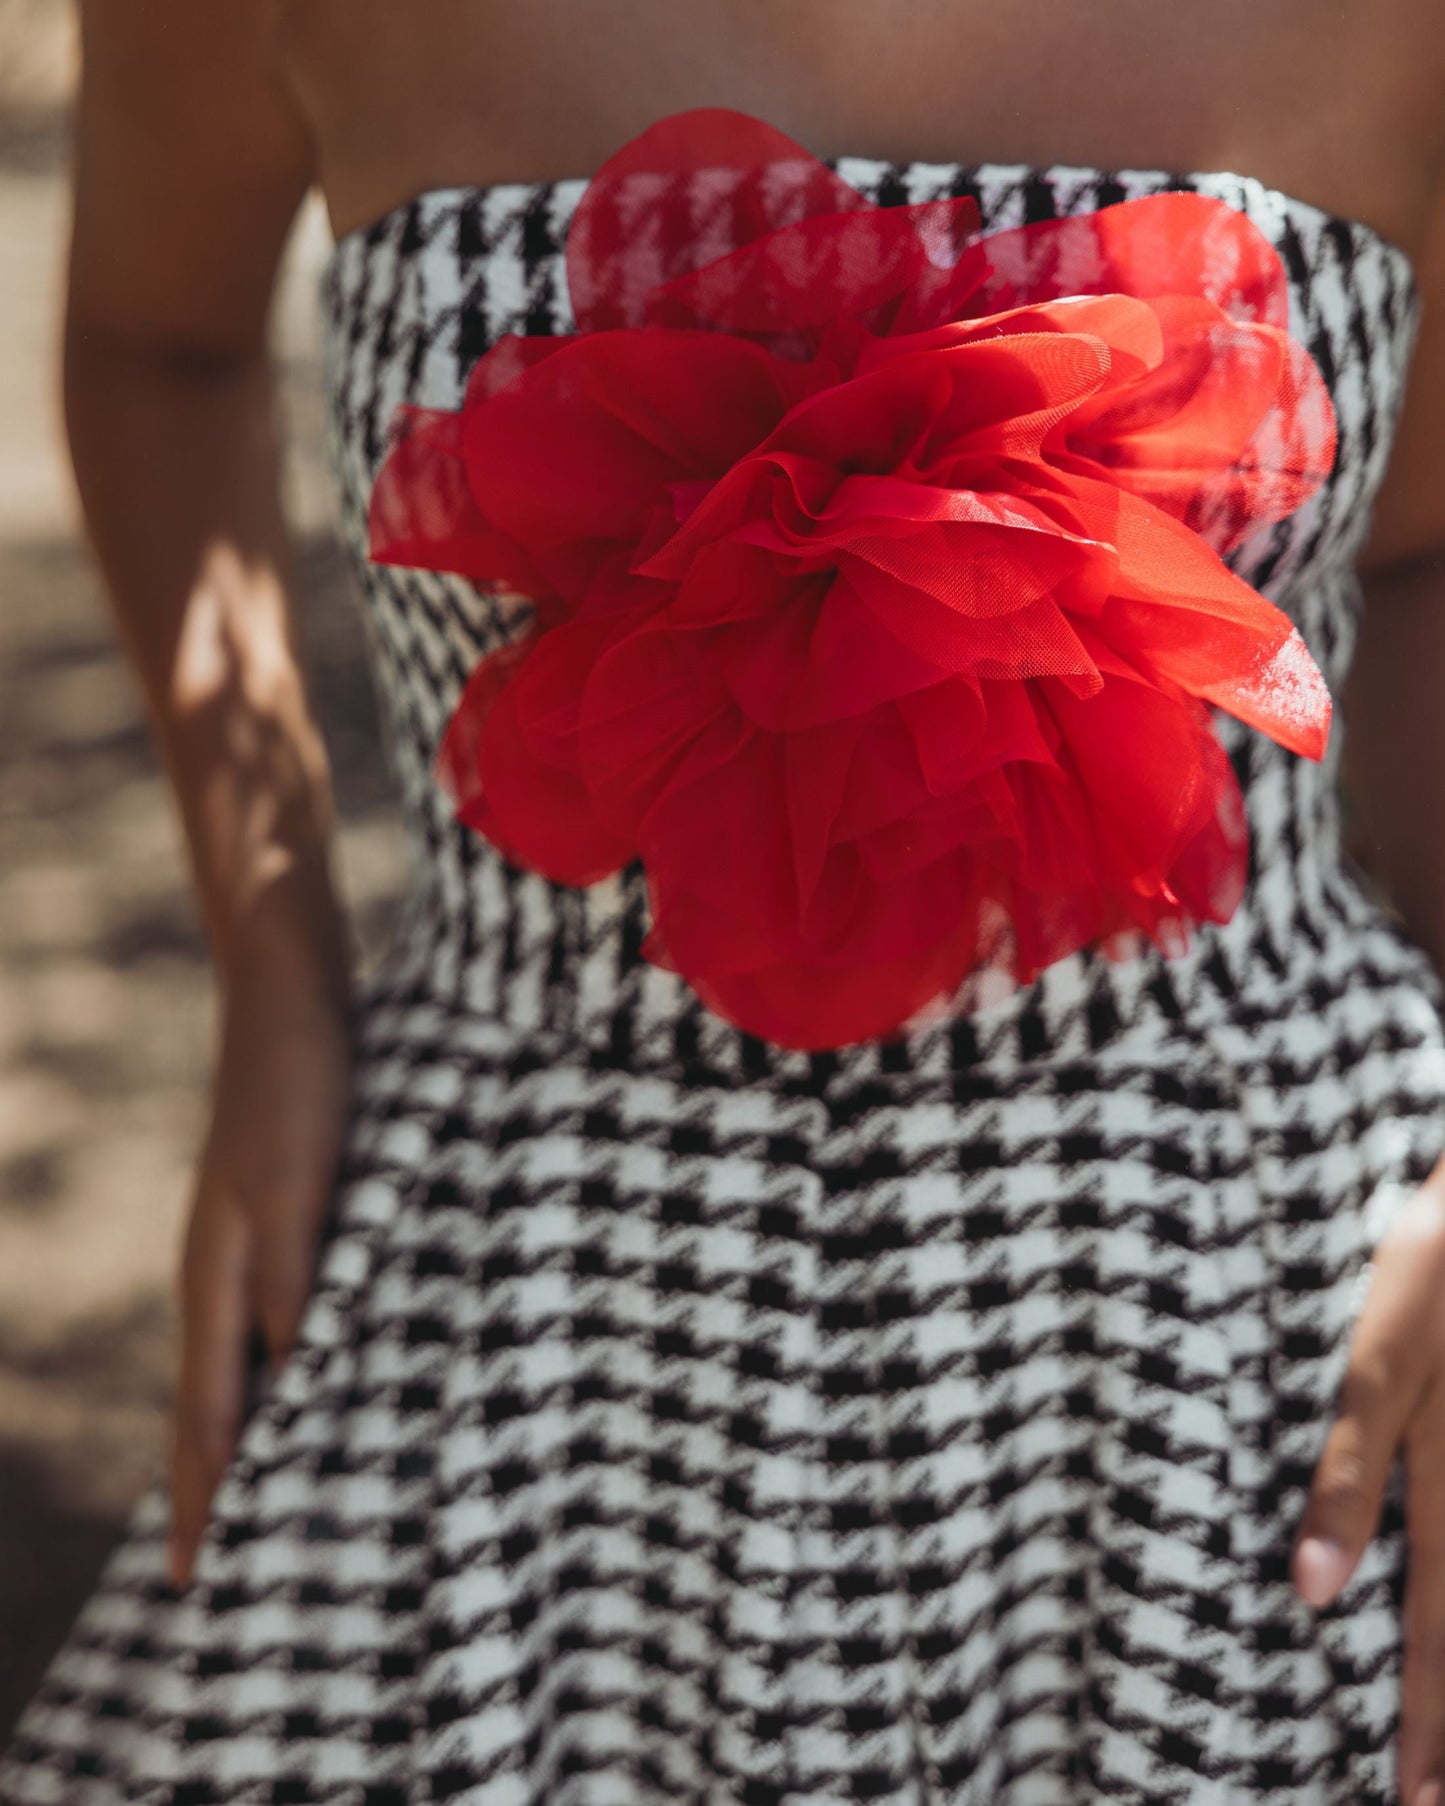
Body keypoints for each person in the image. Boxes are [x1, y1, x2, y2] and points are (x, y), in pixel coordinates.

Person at [4, 1, 1445, 1800]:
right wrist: (271, 955)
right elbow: (156, 342)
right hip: (524, 1283)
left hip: (1254, 1291)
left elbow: (1424, 556)